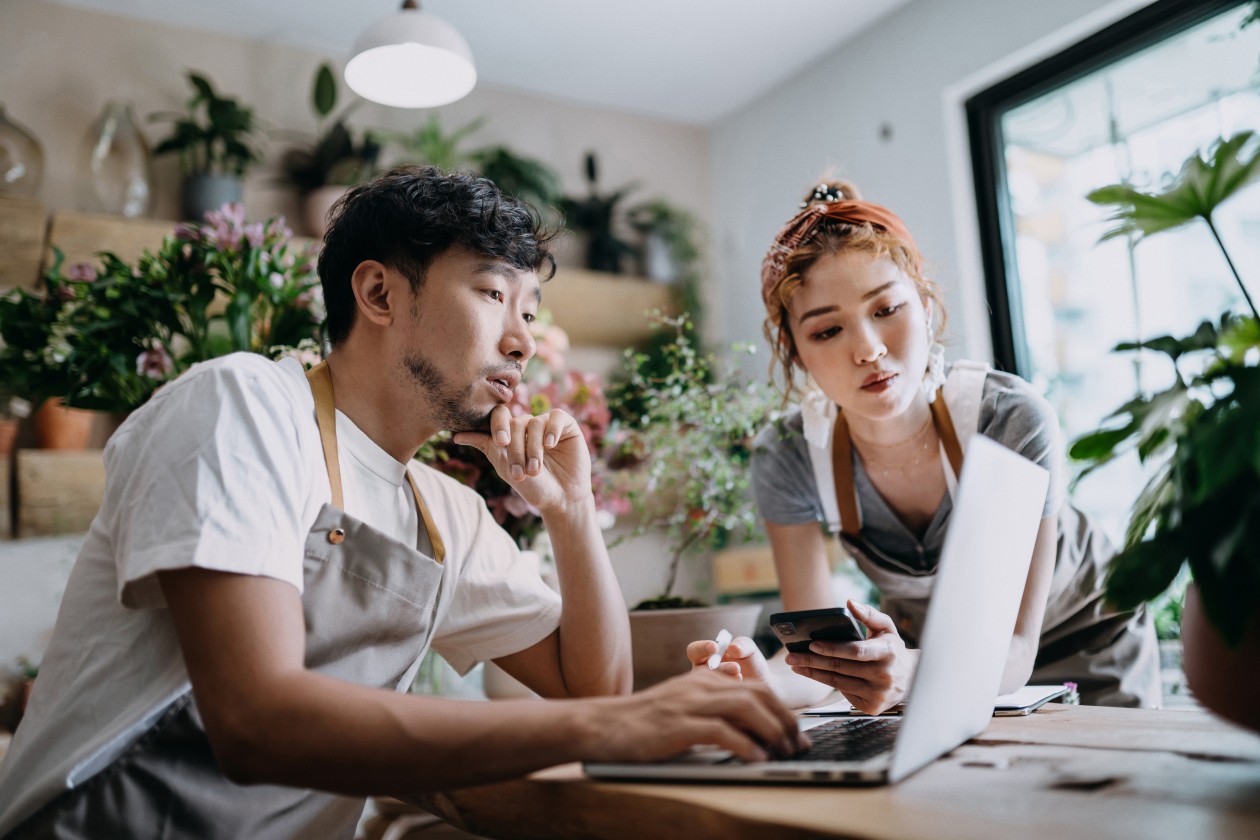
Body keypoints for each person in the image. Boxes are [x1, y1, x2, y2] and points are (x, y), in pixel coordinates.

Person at [0, 166, 805, 839]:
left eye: (530, 312)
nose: (523, 340)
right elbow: (255, 720)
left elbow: (595, 691)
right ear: (380, 294)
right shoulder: (242, 404)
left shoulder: (440, 509)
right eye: (493, 295)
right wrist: (616, 728)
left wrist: (570, 509)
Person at [697, 178, 1160, 714]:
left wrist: (908, 669)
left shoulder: (1008, 420)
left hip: (1088, 638)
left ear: (923, 302)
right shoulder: (789, 455)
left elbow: (1013, 652)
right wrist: (759, 685)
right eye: (827, 331)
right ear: (795, 352)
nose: (868, 350)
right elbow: (818, 662)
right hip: (940, 655)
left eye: (886, 309)